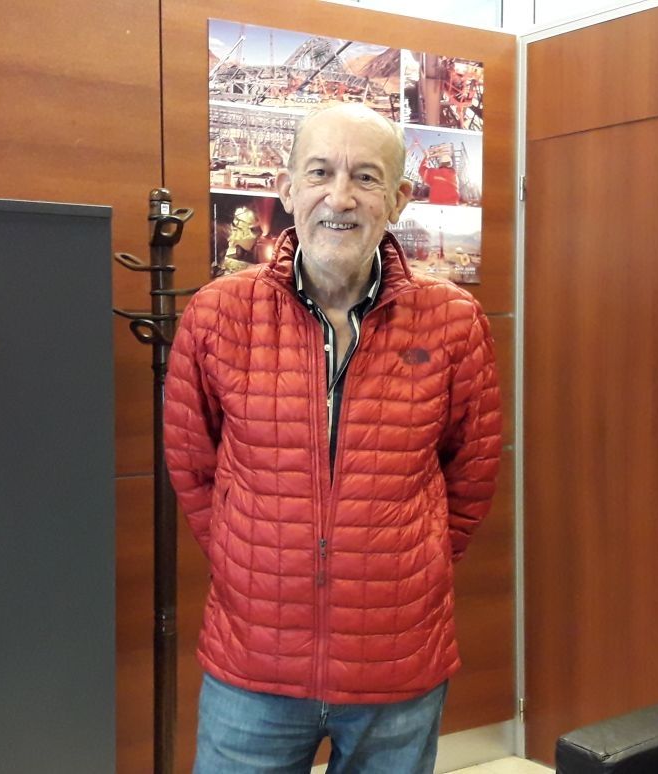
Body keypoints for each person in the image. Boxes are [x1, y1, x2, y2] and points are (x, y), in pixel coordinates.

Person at [164, 102, 502, 774]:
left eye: (366, 177)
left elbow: (471, 472)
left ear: (398, 200)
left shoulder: (453, 323)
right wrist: (249, 557)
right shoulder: (218, 315)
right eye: (319, 172)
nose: (340, 197)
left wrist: (410, 563)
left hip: (397, 664)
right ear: (287, 189)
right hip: (254, 663)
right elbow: (193, 465)